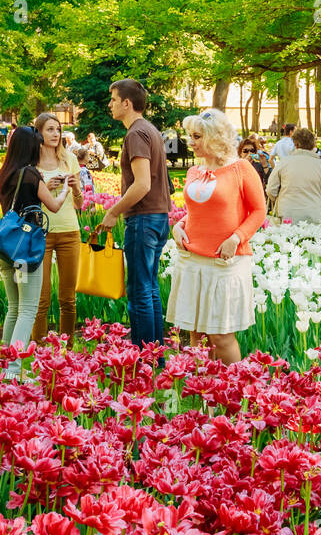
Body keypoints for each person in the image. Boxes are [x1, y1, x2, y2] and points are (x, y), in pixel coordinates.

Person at [167, 108, 266, 364]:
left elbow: (259, 211)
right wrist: (179, 225)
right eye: (191, 136)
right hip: (192, 260)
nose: (191, 142)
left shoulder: (240, 169)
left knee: (220, 336)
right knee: (197, 335)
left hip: (225, 262)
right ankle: (206, 397)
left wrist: (236, 238)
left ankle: (237, 393)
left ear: (215, 136)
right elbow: (195, 212)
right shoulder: (194, 172)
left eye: (197, 136)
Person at [99, 78, 172, 348]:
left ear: (127, 104)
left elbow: (142, 184)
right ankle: (155, 358)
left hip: (143, 219)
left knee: (139, 291)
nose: (110, 105)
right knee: (149, 289)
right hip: (158, 217)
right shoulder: (150, 130)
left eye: (114, 100)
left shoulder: (136, 133)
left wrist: (114, 212)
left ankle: (142, 360)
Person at [0, 127, 70, 380]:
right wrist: (66, 187)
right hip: (25, 252)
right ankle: (14, 371)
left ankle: (4, 365)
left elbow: (24, 198)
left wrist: (43, 186)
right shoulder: (30, 173)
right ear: (30, 148)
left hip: (6, 247)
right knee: (28, 309)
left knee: (13, 308)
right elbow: (55, 206)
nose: (41, 150)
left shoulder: (6, 174)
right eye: (38, 146)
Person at [31, 112, 85, 340]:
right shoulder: (31, 163)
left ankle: (67, 349)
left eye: (58, 129)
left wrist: (75, 188)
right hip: (40, 234)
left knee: (68, 298)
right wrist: (43, 188)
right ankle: (39, 352)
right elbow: (25, 201)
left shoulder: (69, 160)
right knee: (40, 299)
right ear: (39, 132)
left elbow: (79, 204)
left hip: (69, 232)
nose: (55, 134)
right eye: (50, 129)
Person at [265, 127, 321, 224]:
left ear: (295, 144)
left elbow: (271, 190)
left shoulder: (284, 163)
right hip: (315, 216)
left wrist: (281, 200)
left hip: (287, 217)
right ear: (313, 144)